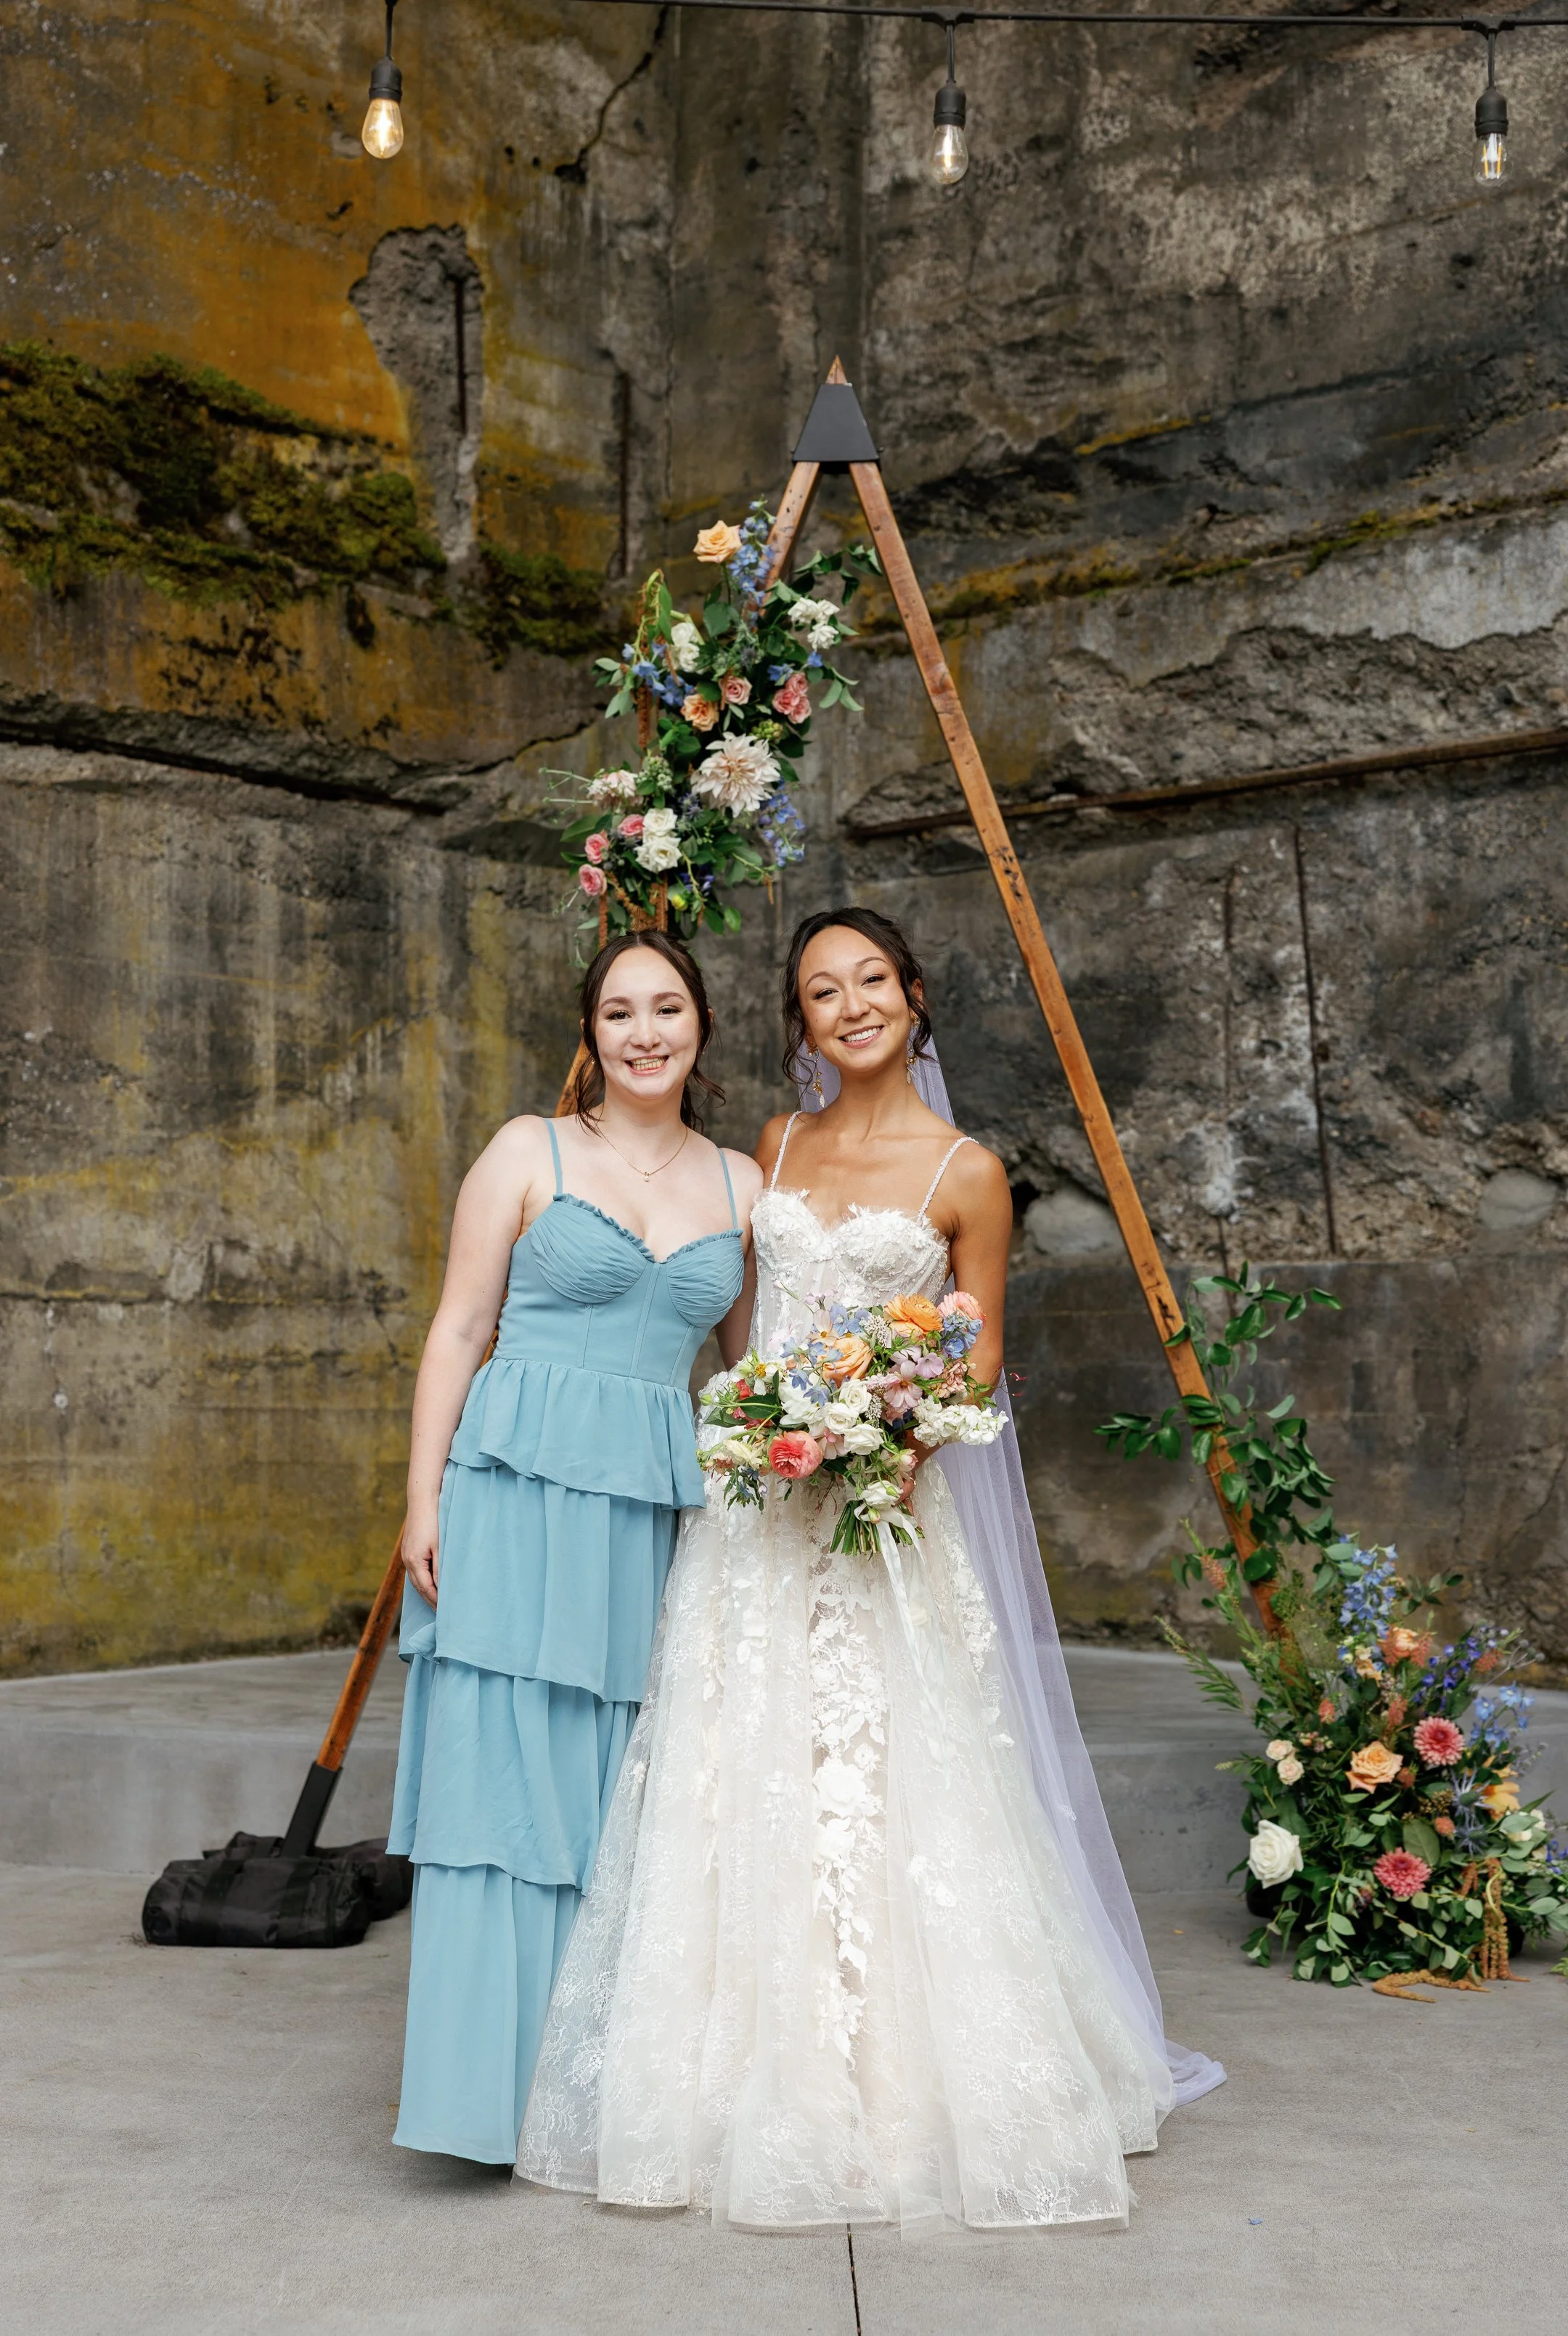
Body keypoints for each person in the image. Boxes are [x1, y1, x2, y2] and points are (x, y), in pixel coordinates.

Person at [518, 905, 1222, 2232]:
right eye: (820, 991)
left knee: (907, 1779)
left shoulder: (966, 1174)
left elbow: (980, 1354)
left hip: (886, 1511)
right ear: (799, 1022)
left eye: (870, 982)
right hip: (754, 1522)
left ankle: (915, 2088)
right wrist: (754, 1425)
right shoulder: (769, 1148)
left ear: (913, 995)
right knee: (740, 1769)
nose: (849, 1006)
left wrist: (888, 1438)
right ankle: (732, 2086)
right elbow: (737, 1325)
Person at [388, 932, 759, 2165]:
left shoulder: (746, 1183)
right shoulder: (525, 1150)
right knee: (504, 1792)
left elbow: (752, 1377)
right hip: (509, 1493)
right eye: (618, 1011)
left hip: (655, 1509)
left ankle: (601, 2097)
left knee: (628, 1790)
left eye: (666, 1007)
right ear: (588, 1033)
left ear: (700, 1024)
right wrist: (421, 1499)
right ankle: (481, 2101)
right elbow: (456, 1329)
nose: (645, 1031)